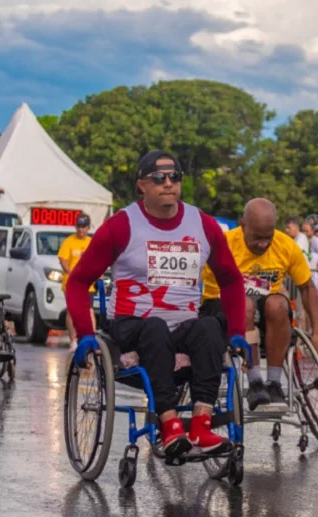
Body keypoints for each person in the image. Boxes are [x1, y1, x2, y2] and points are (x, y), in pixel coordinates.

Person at [65, 150, 246, 457]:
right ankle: (170, 425)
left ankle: (201, 426)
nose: (168, 184)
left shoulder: (203, 224)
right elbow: (78, 281)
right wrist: (84, 334)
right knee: (155, 328)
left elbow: (231, 280)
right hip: (132, 326)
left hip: (182, 329)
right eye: (158, 178)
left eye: (174, 177)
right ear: (141, 186)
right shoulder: (121, 225)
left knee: (209, 327)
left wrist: (238, 330)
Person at [200, 198, 318, 412]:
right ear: (243, 225)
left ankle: (274, 383)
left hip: (267, 312)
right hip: (222, 308)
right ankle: (255, 381)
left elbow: (307, 287)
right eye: (257, 238)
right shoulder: (222, 243)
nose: (263, 244)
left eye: (268, 238)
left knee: (277, 304)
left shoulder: (285, 245)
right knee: (245, 304)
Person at [59, 213, 95, 347]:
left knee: (89, 310)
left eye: (84, 226)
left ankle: (91, 337)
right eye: (79, 226)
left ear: (88, 228)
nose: (81, 230)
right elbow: (63, 260)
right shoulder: (69, 241)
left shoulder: (91, 242)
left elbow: (97, 260)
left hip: (87, 283)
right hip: (71, 282)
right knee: (72, 311)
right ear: (75, 227)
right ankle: (73, 340)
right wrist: (71, 273)